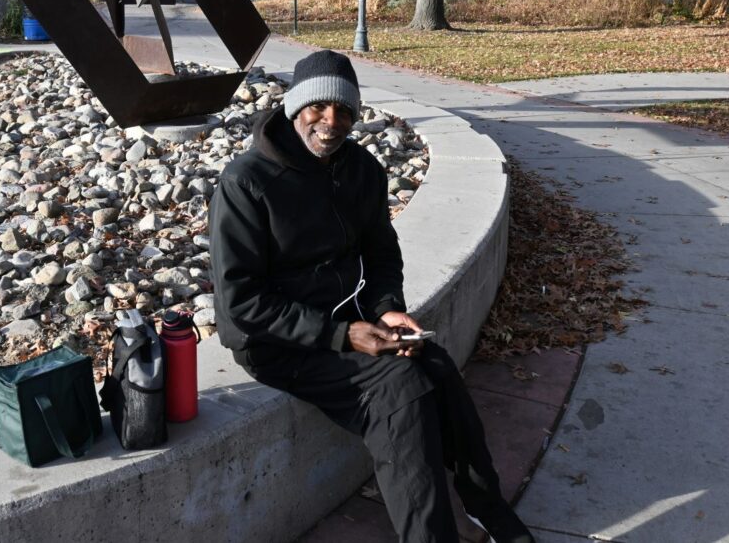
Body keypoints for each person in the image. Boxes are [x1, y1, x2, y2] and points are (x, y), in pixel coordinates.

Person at [209, 50, 535, 543]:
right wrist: (342, 335)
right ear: (296, 108)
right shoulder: (246, 182)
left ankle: (485, 506)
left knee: (437, 367)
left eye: (344, 110)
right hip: (278, 341)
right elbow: (239, 304)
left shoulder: (360, 168)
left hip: (351, 318)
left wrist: (387, 308)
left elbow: (382, 253)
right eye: (319, 107)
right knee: (398, 388)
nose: (331, 121)